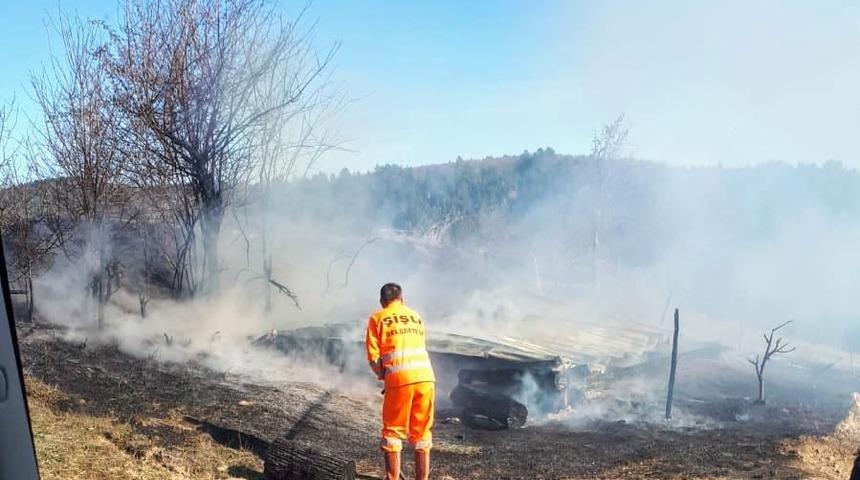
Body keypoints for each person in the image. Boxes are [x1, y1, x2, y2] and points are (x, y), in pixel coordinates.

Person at [365, 283, 435, 480]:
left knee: (393, 434)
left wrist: (383, 375)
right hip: (426, 378)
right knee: (422, 434)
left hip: (399, 379)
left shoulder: (377, 318)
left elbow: (374, 358)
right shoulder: (415, 316)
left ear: (382, 301)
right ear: (402, 299)